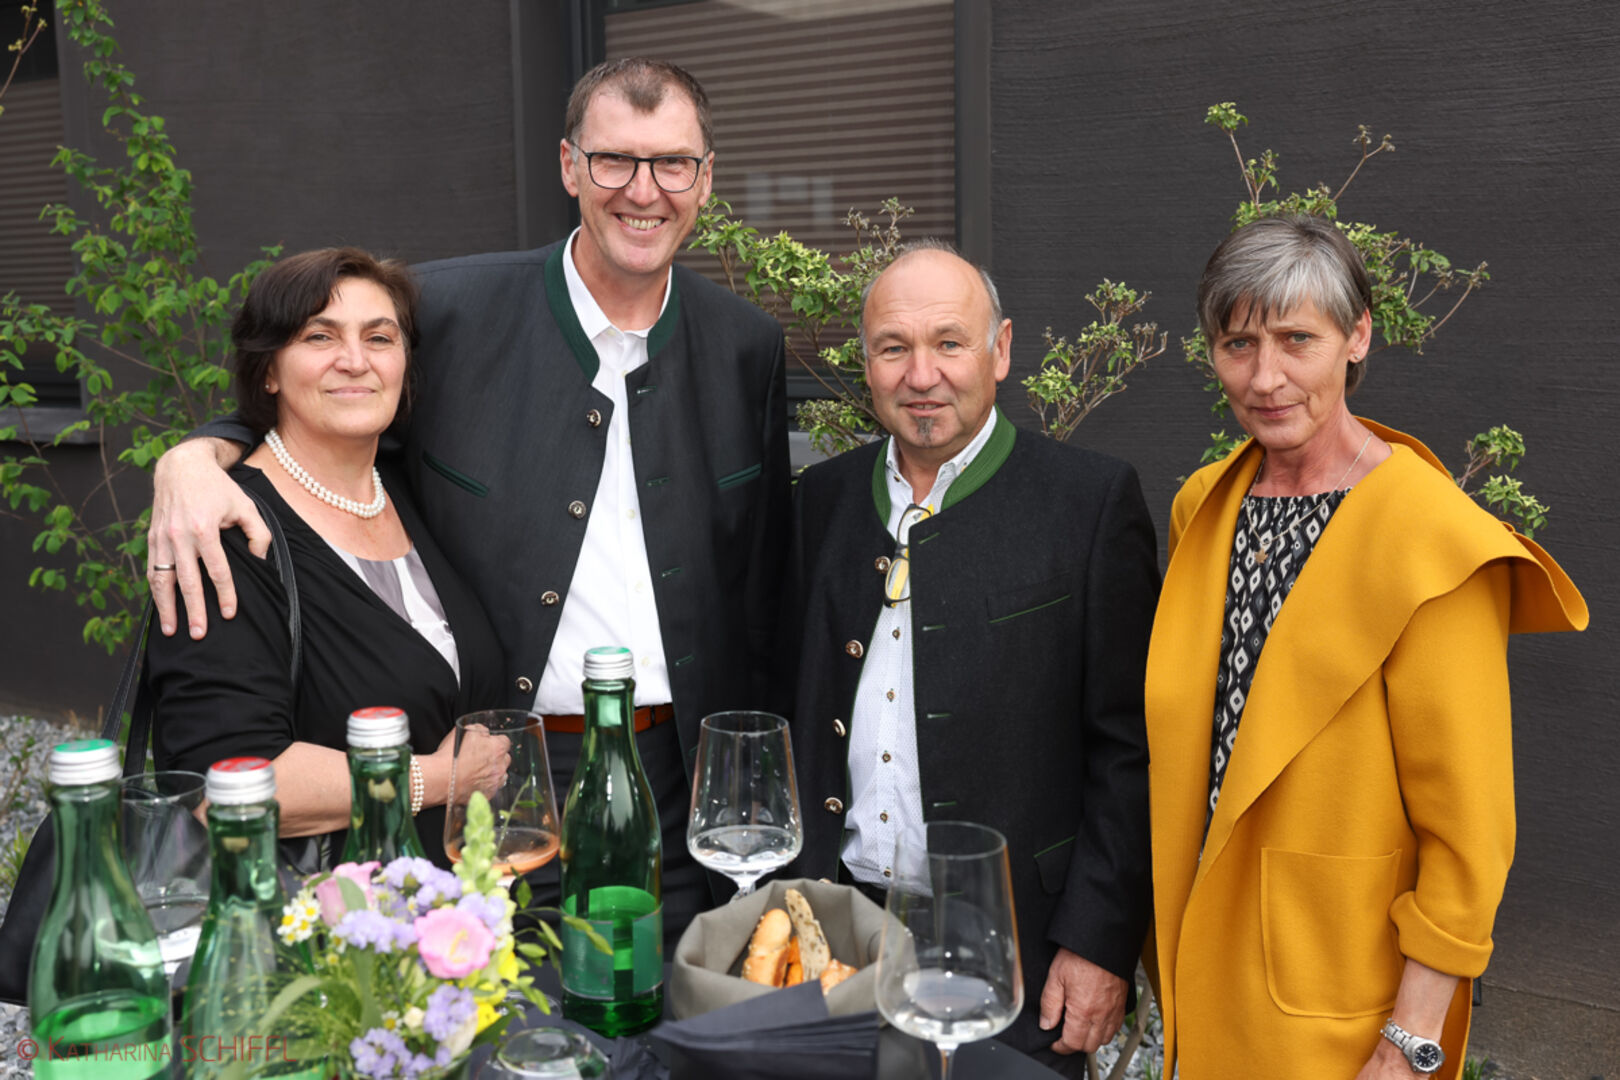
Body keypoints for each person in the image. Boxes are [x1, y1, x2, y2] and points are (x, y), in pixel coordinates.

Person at [145, 58, 788, 941]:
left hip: (678, 782)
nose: (644, 191)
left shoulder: (747, 346)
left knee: (669, 1001)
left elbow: (764, 585)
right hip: (499, 778)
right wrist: (195, 455)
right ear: (569, 167)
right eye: (614, 160)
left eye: (672, 163)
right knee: (504, 1002)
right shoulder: (451, 312)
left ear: (705, 179)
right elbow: (331, 392)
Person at [1143, 215, 1588, 1079]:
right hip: (1206, 959)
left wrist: (1411, 1040)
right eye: (1238, 344)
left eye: (1297, 340)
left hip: (1341, 995)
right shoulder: (1205, 504)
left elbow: (1470, 829)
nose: (1266, 377)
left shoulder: (1429, 536)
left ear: (1357, 338)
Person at [784, 240, 1159, 1074]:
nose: (922, 375)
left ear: (1001, 349)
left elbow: (1130, 748)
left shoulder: (1089, 502)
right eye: (894, 348)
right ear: (867, 363)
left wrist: (1098, 943)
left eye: (949, 343)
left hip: (1018, 942)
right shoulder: (822, 500)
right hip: (838, 929)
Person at [148, 247, 510, 867]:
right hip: (319, 914)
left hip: (448, 903)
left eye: (379, 337)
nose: (355, 360)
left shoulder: (409, 491)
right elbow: (224, 781)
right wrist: (434, 779)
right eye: (320, 336)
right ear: (268, 370)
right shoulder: (224, 531)